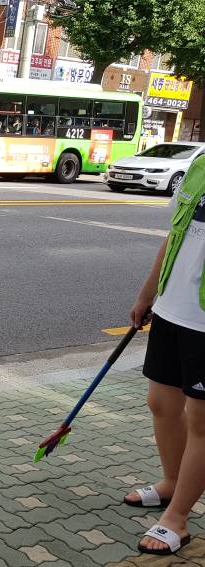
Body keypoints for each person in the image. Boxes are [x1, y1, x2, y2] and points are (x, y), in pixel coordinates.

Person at [125, 158, 205, 556]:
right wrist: (147, 294)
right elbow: (174, 237)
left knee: (202, 421)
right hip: (174, 311)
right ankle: (172, 481)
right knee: (160, 403)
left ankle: (178, 517)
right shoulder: (200, 166)